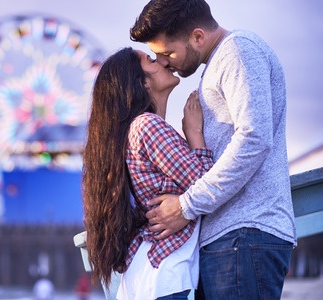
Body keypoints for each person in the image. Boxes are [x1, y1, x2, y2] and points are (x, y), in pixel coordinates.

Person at [130, 0, 297, 299]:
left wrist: (186, 206)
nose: (165, 62)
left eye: (167, 53)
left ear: (197, 37)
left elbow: (254, 139)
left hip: (245, 232)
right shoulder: (220, 62)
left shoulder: (238, 51)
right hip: (230, 237)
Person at [82, 47, 213, 299]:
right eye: (152, 60)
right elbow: (208, 186)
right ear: (142, 83)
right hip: (164, 275)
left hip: (143, 277)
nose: (163, 61)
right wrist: (195, 134)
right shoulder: (148, 126)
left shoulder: (131, 133)